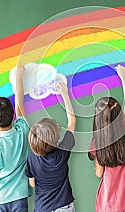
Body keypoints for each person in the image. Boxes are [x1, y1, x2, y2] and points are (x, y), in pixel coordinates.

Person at [88, 64, 125, 212]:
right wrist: (123, 76)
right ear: (118, 115)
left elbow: (99, 173)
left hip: (108, 204)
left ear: (98, 121)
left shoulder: (97, 144)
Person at [0, 65, 32, 211]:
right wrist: (19, 76)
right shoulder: (22, 130)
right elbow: (19, 104)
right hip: (19, 196)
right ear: (12, 116)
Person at [26, 81, 76, 212]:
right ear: (55, 139)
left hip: (43, 208)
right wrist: (65, 94)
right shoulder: (62, 153)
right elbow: (72, 122)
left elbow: (32, 183)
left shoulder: (31, 158)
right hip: (64, 207)